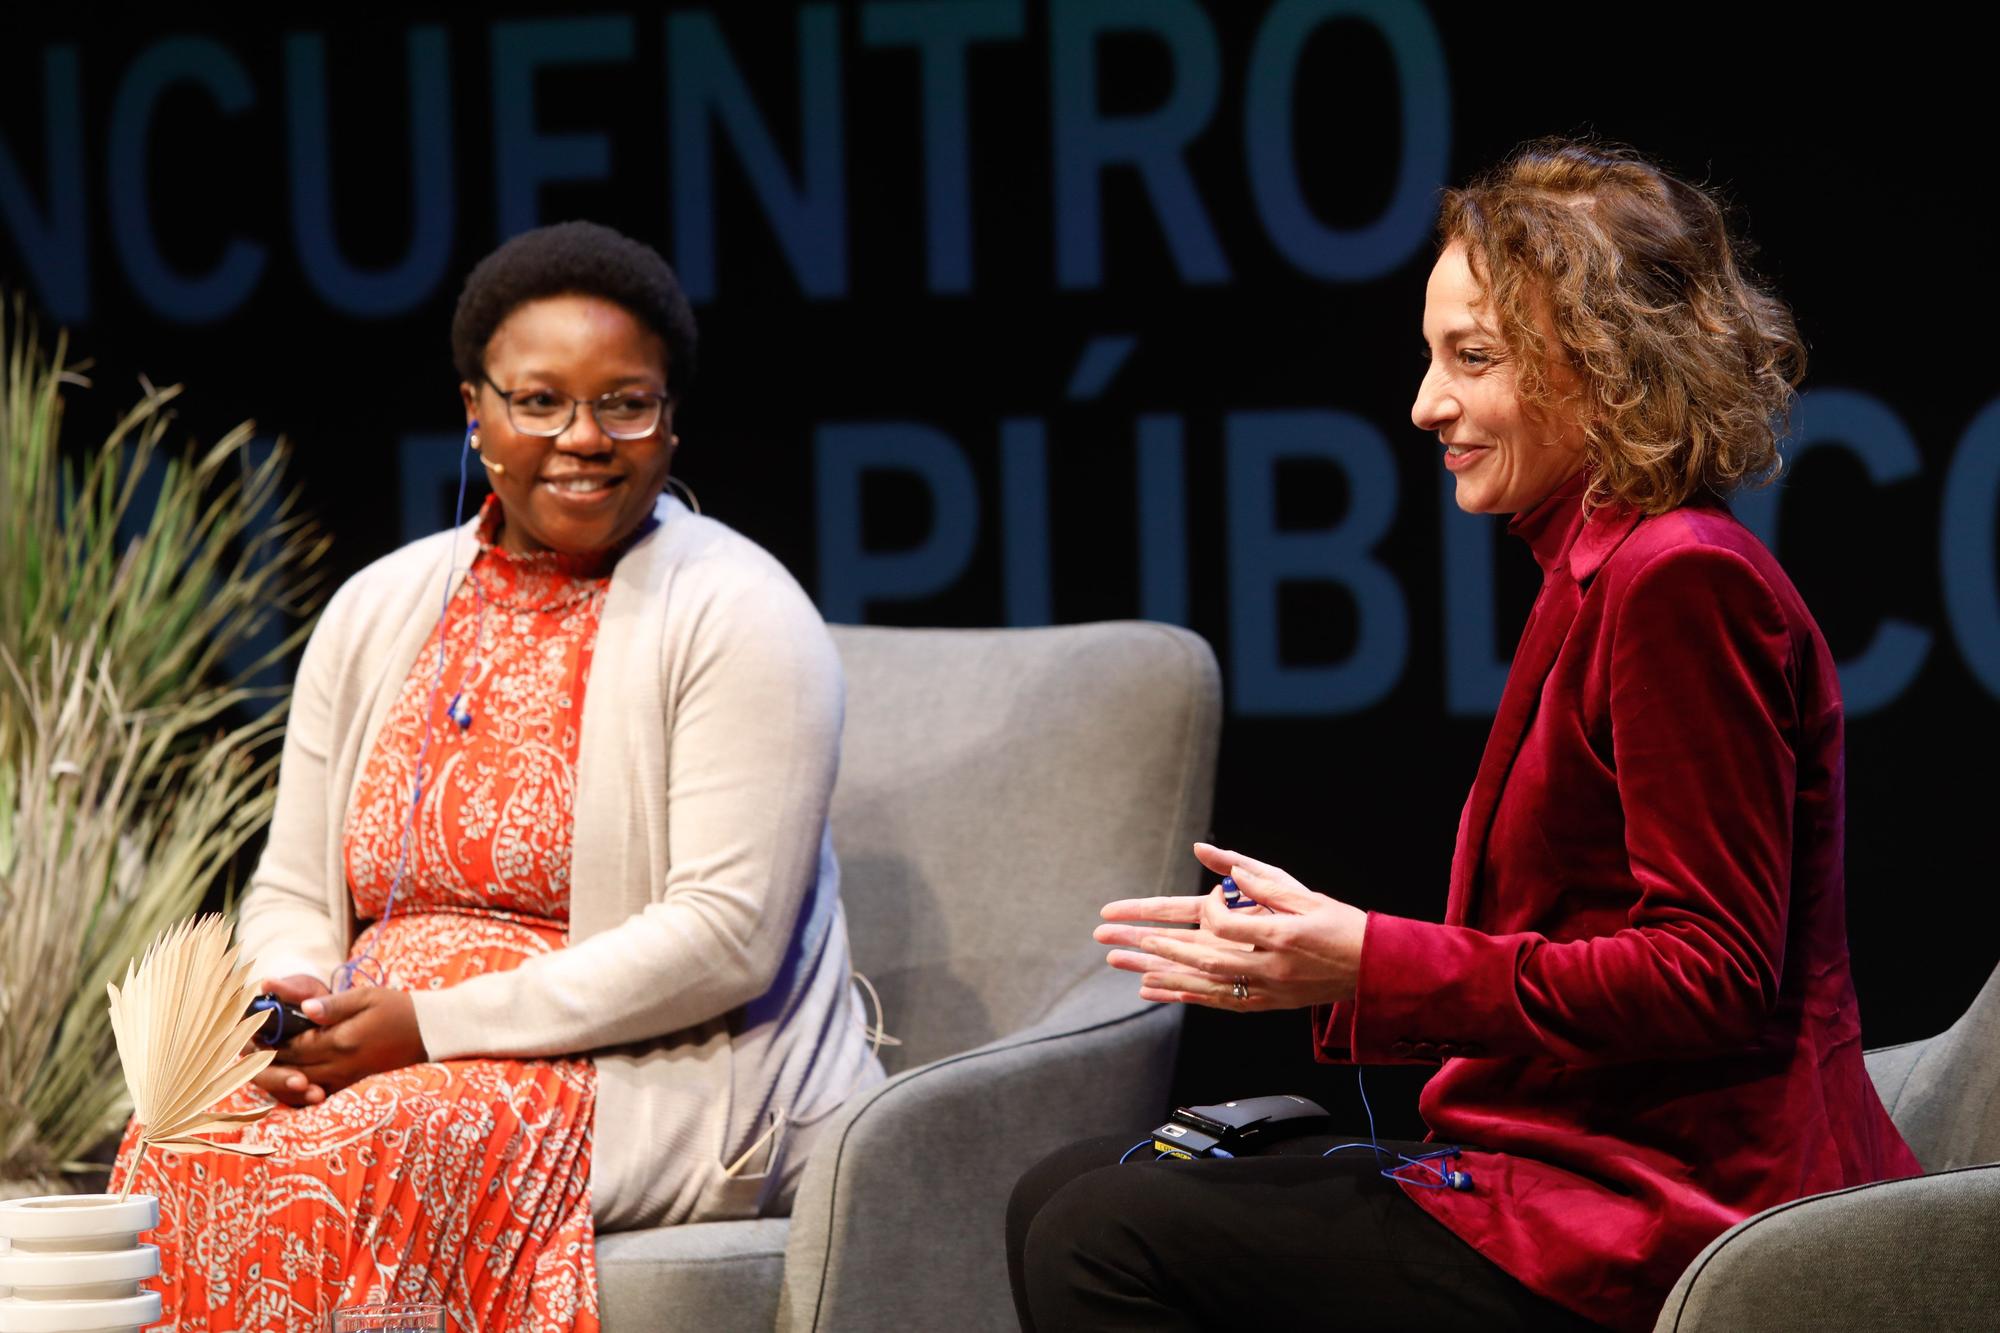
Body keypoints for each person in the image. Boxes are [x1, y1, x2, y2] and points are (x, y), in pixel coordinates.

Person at [1008, 139, 1923, 1333]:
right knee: (1060, 1191)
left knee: (1100, 1237)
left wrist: (1370, 960)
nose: (1423, 403)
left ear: (1599, 369)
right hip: (1562, 1163)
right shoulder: (1595, 567)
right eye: (1431, 356)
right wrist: (1323, 950)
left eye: (1470, 360)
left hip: (1668, 1204)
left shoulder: (1680, 584)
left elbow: (1710, 974)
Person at [113, 221, 884, 1332]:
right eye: (540, 401)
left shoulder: (740, 613)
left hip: (643, 1066)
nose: (584, 438)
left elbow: (724, 934)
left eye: (626, 402)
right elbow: (292, 881)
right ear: (476, 411)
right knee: (176, 1133)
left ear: (670, 421)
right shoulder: (380, 605)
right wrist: (290, 1005)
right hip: (375, 1039)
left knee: (362, 1154)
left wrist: (430, 1025)